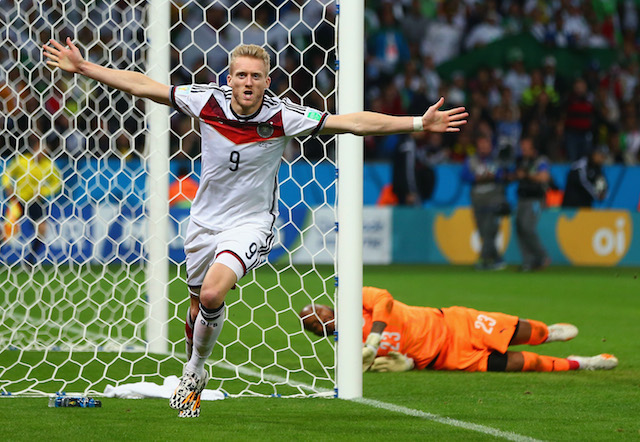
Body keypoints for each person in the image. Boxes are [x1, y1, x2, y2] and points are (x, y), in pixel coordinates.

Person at [43, 38, 468, 418]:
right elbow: (143, 85)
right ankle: (197, 364)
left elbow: (353, 122)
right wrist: (85, 69)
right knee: (196, 306)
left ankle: (193, 371)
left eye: (257, 76)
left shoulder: (284, 116)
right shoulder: (205, 100)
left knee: (213, 292)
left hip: (250, 223)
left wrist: (417, 122)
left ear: (267, 81)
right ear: (229, 78)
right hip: (203, 222)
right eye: (241, 74)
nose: (248, 82)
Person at [300, 287, 618, 373]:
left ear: (325, 306)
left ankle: (548, 333)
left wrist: (374, 337)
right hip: (447, 358)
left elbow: (384, 298)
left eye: (318, 313)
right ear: (318, 334)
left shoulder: (354, 297)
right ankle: (583, 362)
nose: (320, 320)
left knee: (520, 331)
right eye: (314, 325)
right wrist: (405, 364)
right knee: (521, 364)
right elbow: (386, 364)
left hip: (452, 322)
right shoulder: (349, 353)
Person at [1, 136, 62, 264]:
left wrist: (44, 191)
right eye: (39, 148)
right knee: (8, 230)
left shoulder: (48, 165)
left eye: (45, 149)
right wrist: (8, 186)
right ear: (34, 148)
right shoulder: (23, 161)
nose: (42, 151)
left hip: (36, 201)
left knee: (42, 229)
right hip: (18, 200)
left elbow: (57, 183)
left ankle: (30, 260)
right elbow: (7, 173)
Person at [461, 134, 508, 270]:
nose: (483, 148)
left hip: (494, 200)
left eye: (486, 145)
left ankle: (484, 259)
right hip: (478, 201)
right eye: (481, 145)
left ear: (490, 146)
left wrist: (492, 176)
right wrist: (479, 177)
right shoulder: (471, 160)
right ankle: (497, 259)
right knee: (483, 231)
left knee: (489, 231)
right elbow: (464, 175)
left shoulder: (497, 160)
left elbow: (503, 174)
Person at [514, 138, 550, 271]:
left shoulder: (540, 161)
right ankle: (528, 261)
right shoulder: (521, 161)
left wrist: (527, 175)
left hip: (535, 199)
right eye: (522, 148)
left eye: (525, 148)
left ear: (533, 149)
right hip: (522, 198)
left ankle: (542, 256)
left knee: (527, 227)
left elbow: (544, 177)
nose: (523, 151)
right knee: (519, 228)